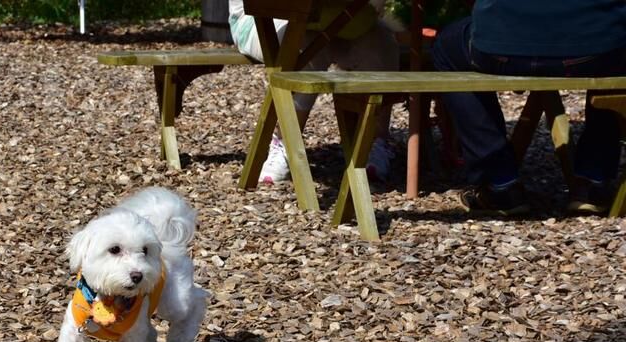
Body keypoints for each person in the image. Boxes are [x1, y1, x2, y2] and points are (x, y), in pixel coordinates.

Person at [432, 0, 626, 216]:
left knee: (445, 47)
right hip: (593, 50)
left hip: (500, 47)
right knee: (614, 53)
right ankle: (593, 180)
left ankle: (499, 183)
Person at [228, 0, 400, 185]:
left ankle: (376, 140)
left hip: (340, 16)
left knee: (380, 41)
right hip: (261, 18)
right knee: (307, 43)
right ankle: (285, 142)